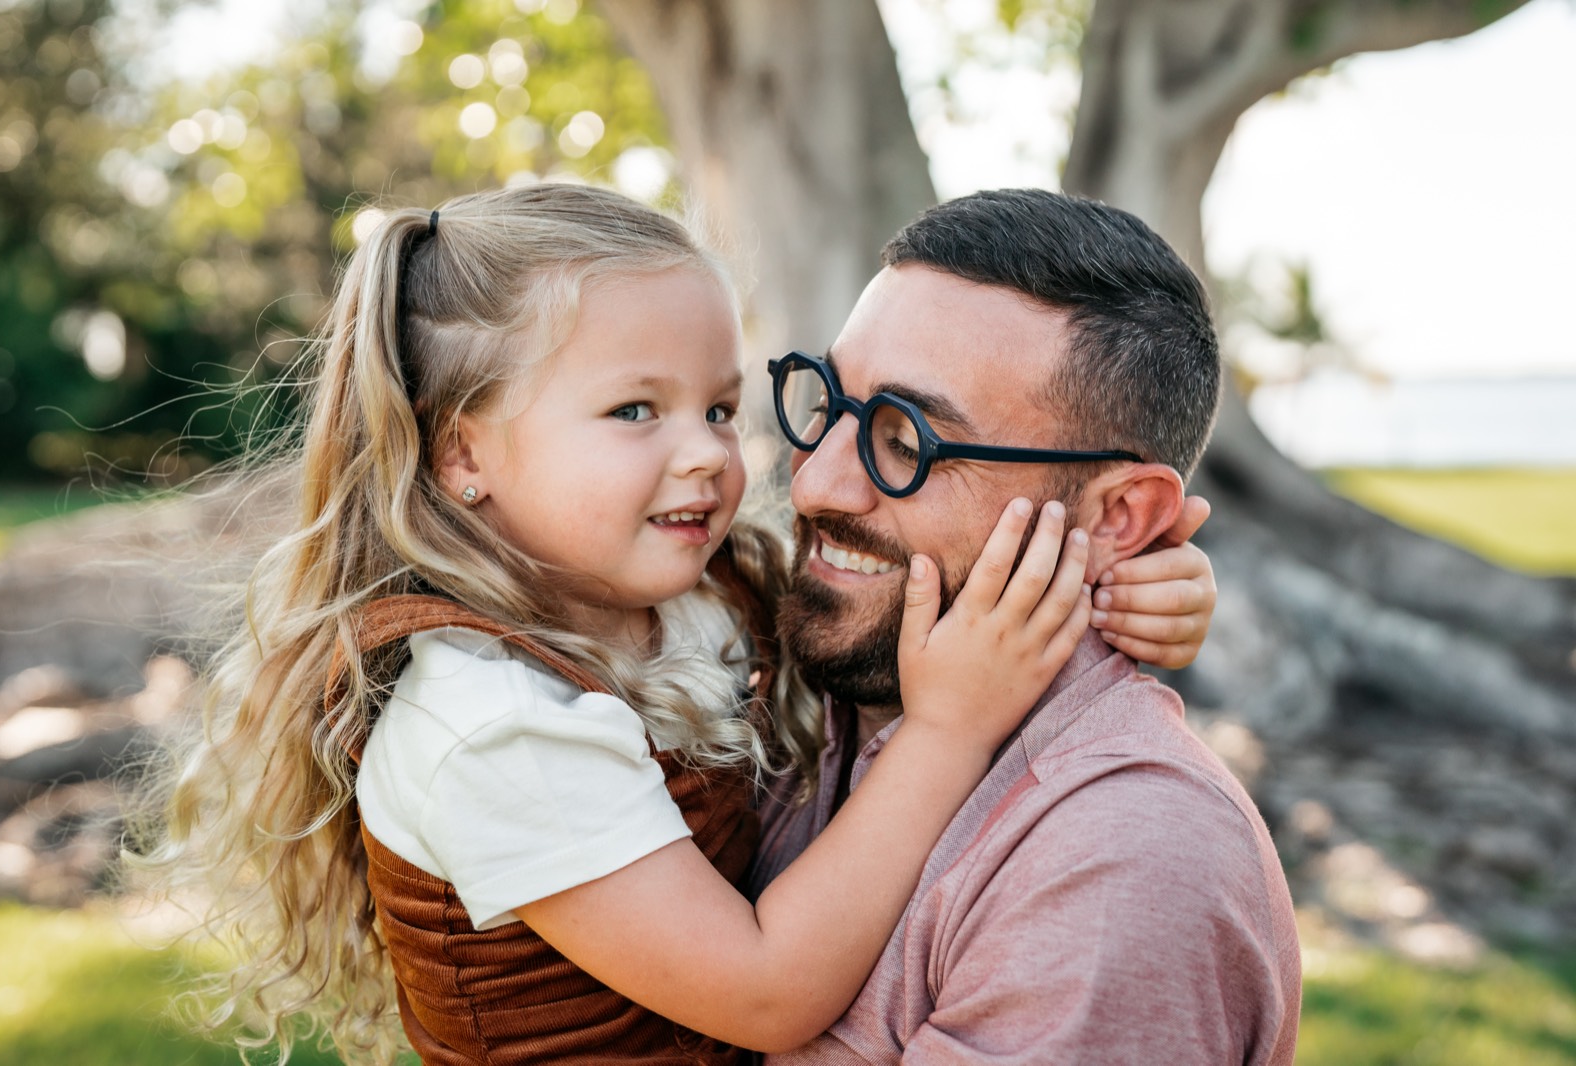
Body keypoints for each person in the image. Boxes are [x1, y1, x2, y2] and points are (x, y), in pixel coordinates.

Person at [136, 183, 1217, 1065]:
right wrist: (948, 730)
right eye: (633, 411)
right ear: (461, 452)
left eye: (718, 406)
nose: (803, 474)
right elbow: (763, 990)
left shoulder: (678, 602)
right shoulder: (489, 718)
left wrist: (1127, 583)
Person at [751, 188, 1301, 1064]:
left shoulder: (1122, 864)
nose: (816, 485)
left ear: (1119, 517)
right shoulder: (799, 685)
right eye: (829, 405)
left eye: (907, 442)